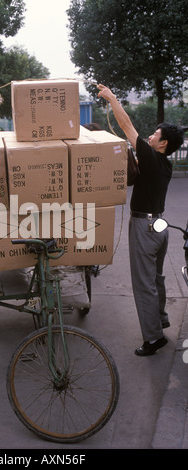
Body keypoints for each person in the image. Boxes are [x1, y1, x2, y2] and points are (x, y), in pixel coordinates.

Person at [97, 83, 184, 356]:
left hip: (144, 227)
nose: (148, 137)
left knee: (143, 283)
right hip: (160, 226)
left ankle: (153, 338)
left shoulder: (150, 155)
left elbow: (126, 124)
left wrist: (112, 97)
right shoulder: (166, 164)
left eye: (154, 135)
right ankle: (160, 319)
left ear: (163, 143)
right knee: (156, 278)